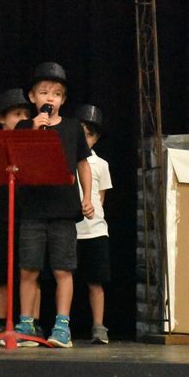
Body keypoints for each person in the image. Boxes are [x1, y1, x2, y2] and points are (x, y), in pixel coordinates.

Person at [14, 62, 94, 348]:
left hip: (63, 209)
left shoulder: (72, 128)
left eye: (57, 94)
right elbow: (17, 162)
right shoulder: (24, 127)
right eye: (44, 92)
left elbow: (83, 164)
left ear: (63, 100)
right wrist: (34, 131)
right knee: (29, 268)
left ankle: (62, 326)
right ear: (32, 97)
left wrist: (87, 197)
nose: (50, 98)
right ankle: (26, 323)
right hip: (32, 208)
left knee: (63, 269)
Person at [0, 89, 43, 342]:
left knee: (31, 271)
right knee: (1, 274)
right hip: (0, 220)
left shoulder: (32, 146)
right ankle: (1, 323)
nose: (23, 119)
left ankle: (32, 323)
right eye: (17, 114)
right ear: (2, 118)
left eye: (26, 114)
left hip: (30, 218)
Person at [74, 104, 113, 345]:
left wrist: (92, 214)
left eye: (89, 135)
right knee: (64, 279)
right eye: (80, 134)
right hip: (69, 229)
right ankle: (62, 324)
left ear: (95, 138)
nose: (84, 139)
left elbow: (100, 197)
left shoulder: (101, 164)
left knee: (95, 281)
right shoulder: (66, 160)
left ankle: (99, 326)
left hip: (95, 231)